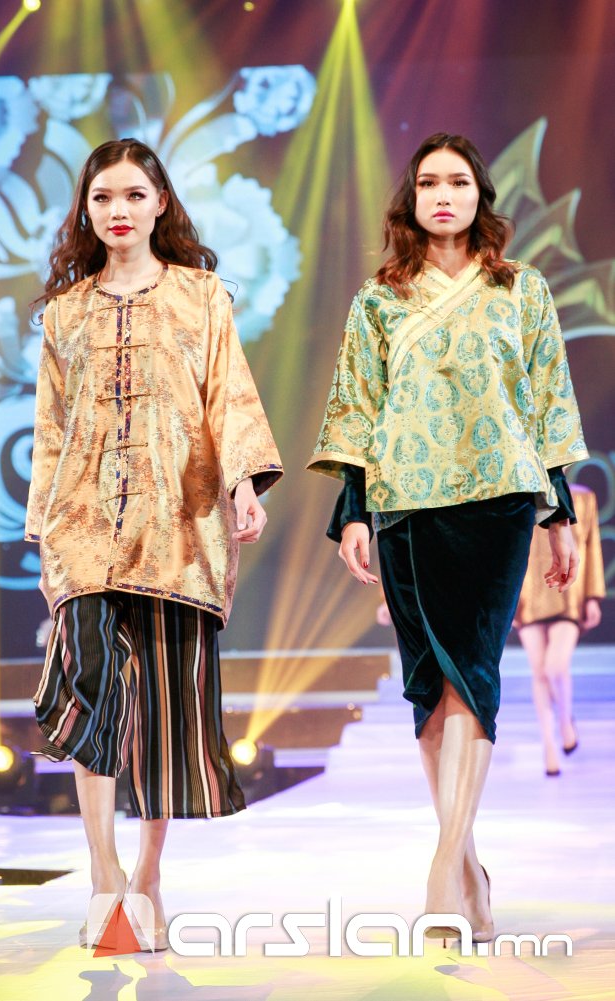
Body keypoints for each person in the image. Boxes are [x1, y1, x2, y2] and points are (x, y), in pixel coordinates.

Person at [307, 133, 588, 943]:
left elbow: (545, 402)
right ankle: (466, 867)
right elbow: (357, 407)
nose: (442, 194)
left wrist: (557, 515)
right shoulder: (379, 298)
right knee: (430, 689)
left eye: (457, 182)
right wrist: (352, 511)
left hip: (498, 501)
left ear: (478, 196)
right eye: (428, 181)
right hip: (403, 506)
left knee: (472, 675)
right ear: (411, 198)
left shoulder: (520, 288)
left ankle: (439, 870)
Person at [25, 138, 282, 950]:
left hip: (180, 529)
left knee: (167, 712)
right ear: (86, 208)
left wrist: (243, 484)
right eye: (103, 197)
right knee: (93, 693)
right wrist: (42, 532)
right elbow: (49, 429)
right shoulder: (63, 314)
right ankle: (102, 877)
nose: (119, 210)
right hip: (82, 530)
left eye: (134, 195)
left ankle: (148, 875)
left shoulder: (202, 297)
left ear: (160, 202)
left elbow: (228, 397)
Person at [514, 484, 605, 776]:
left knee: (555, 667)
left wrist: (592, 596)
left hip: (568, 595)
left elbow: (591, 546)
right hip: (527, 595)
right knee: (539, 672)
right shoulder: (519, 495)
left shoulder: (582, 497)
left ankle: (565, 721)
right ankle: (548, 744)